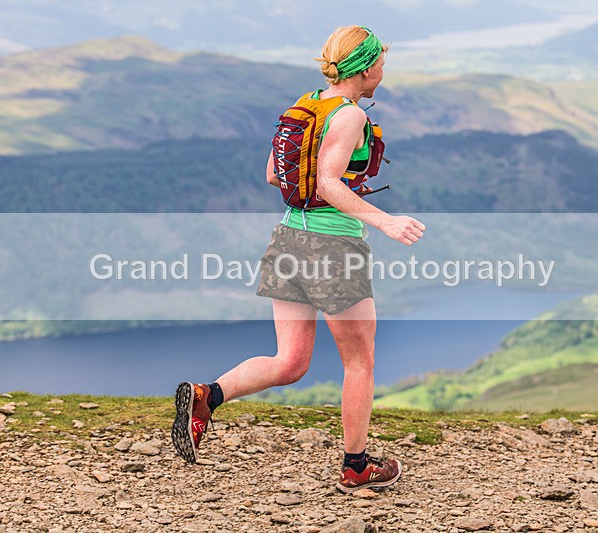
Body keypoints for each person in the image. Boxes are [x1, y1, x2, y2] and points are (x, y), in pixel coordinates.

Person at [172, 25, 425, 493]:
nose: (384, 72)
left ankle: (208, 398)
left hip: (288, 239)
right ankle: (356, 466)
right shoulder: (349, 116)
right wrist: (384, 221)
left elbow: (273, 174)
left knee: (289, 362)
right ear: (366, 67)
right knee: (359, 362)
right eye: (382, 65)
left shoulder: (306, 105)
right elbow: (329, 183)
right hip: (332, 250)